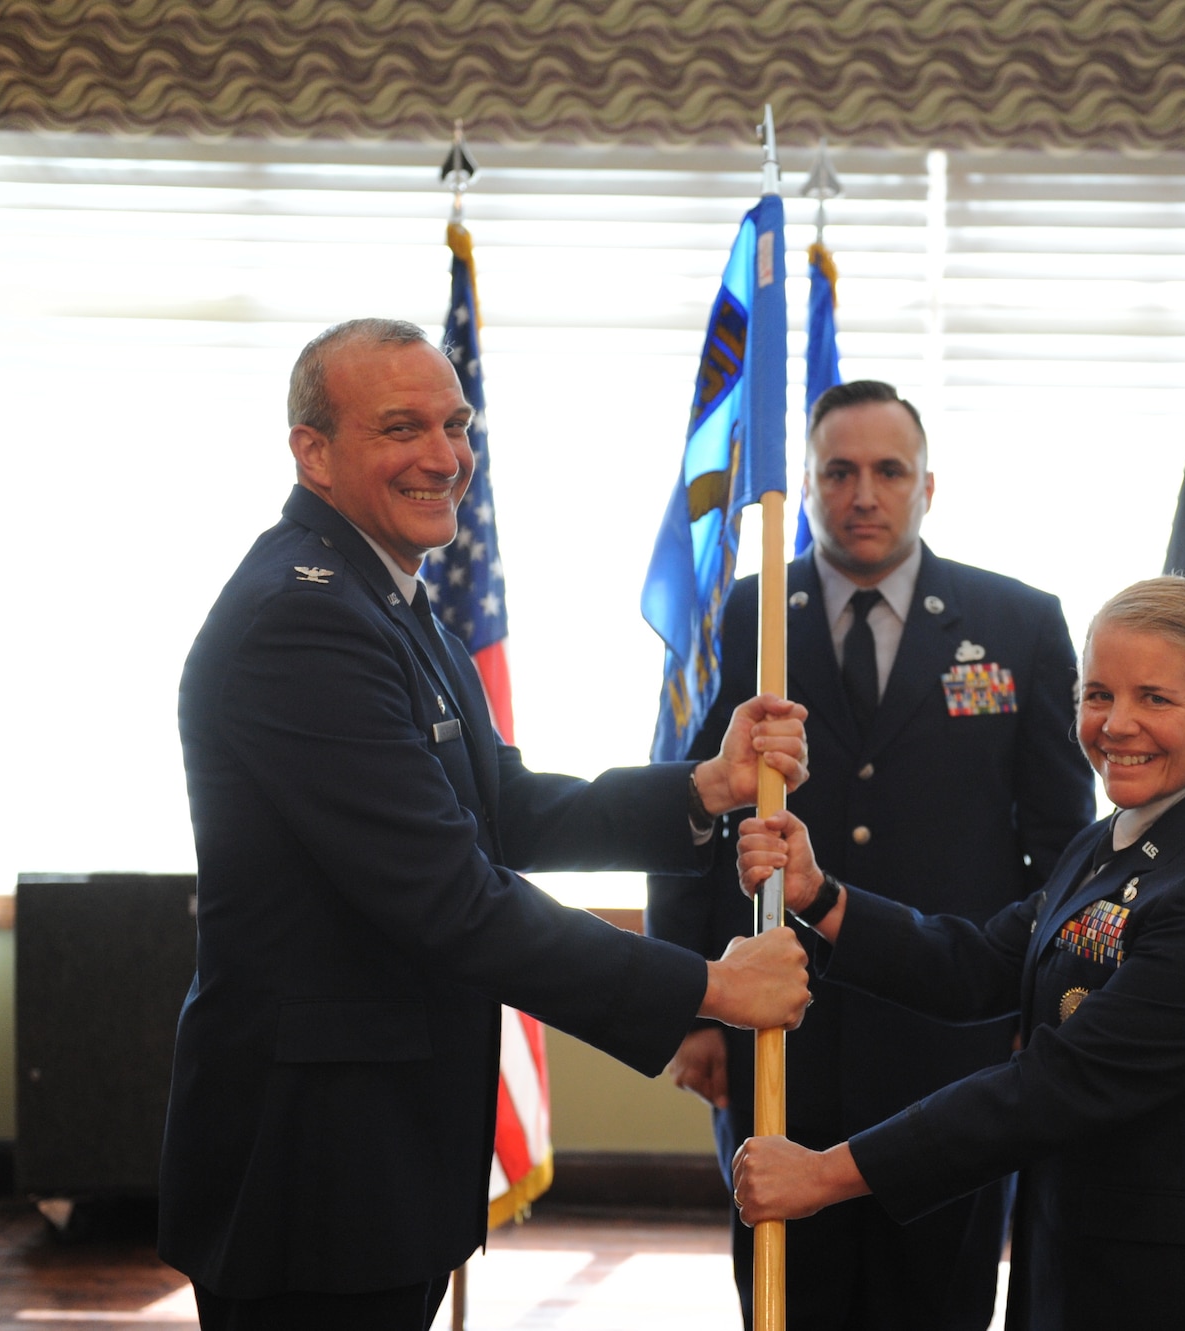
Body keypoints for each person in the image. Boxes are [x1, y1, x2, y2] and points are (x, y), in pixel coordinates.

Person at [161, 318, 814, 1331]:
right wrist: (710, 985)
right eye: (399, 427)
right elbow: (450, 896)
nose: (443, 456)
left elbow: (498, 806)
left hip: (381, 1146)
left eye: (455, 424)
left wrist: (706, 787)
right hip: (315, 1160)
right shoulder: (304, 618)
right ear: (312, 450)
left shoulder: (389, 597)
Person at [733, 576, 1185, 1330]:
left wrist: (825, 1173)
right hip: (1079, 1262)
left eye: (1155, 698)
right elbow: (978, 963)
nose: (1116, 724)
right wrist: (819, 896)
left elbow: (1051, 1087)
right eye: (1097, 694)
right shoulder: (1112, 840)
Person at [647, 380, 1096, 1329]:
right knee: (785, 1297)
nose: (864, 493)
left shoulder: (1017, 624)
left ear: (929, 487)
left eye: (889, 471)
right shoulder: (744, 614)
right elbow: (682, 803)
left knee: (936, 1297)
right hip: (776, 1033)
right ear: (805, 486)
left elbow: (1059, 846)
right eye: (838, 472)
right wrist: (685, 1007)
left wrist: (1038, 1001)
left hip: (950, 1044)